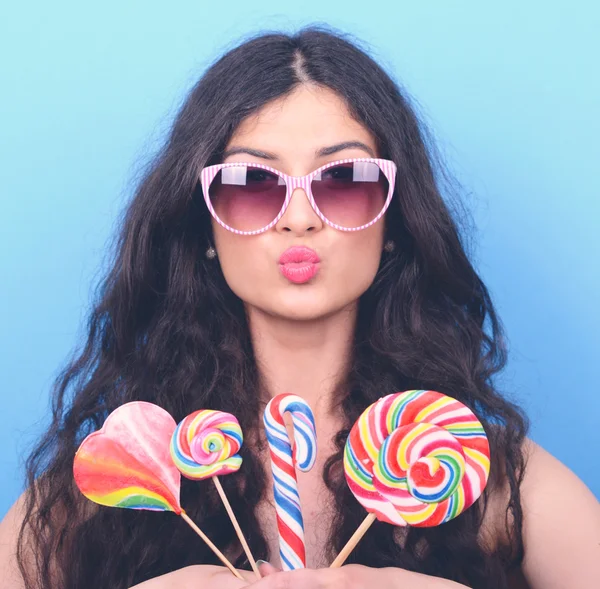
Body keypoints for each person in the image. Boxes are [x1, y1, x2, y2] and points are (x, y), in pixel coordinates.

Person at [0, 26, 598, 589]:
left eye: (344, 179)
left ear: (394, 221)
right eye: (252, 184)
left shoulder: (487, 478)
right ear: (203, 226)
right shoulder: (121, 479)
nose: (299, 217)